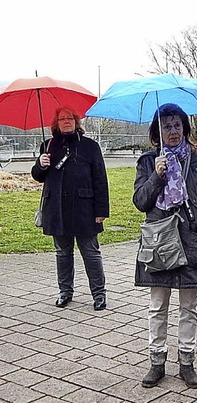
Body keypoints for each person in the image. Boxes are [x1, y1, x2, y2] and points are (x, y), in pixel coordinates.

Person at [133, 103, 197, 389]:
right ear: (156, 133)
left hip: (190, 243)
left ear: (185, 128)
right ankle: (156, 362)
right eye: (166, 126)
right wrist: (156, 176)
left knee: (189, 308)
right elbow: (140, 202)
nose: (172, 131)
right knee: (157, 306)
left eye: (176, 125)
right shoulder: (148, 161)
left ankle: (187, 362)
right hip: (159, 242)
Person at [31, 107, 109, 311]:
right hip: (57, 210)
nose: (66, 121)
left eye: (70, 118)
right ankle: (65, 292)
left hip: (85, 209)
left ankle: (99, 294)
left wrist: (101, 211)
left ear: (76, 122)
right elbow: (38, 176)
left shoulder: (90, 147)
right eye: (62, 118)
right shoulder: (47, 146)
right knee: (62, 253)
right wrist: (41, 164)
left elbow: (100, 179)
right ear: (56, 123)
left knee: (91, 253)